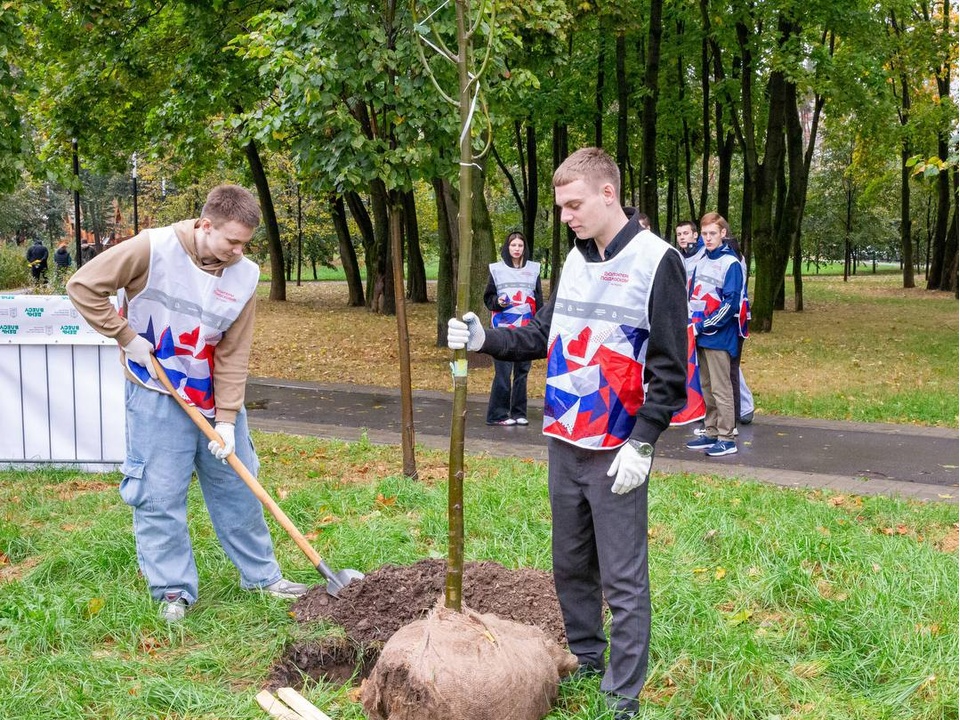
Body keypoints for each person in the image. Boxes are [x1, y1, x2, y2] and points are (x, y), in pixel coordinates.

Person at [448, 148, 688, 720]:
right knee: (570, 561)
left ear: (610, 194)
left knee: (624, 577)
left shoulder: (660, 261)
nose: (566, 216)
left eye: (574, 204)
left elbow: (672, 370)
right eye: (560, 207)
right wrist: (486, 341)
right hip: (565, 439)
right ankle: (585, 654)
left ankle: (622, 692)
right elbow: (541, 335)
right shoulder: (576, 260)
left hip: (617, 449)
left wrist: (644, 441)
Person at [66, 184, 307, 623]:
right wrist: (126, 337)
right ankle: (172, 591)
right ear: (204, 224)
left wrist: (230, 419)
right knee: (159, 493)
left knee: (240, 486)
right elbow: (82, 286)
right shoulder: (151, 248)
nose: (237, 251)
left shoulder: (245, 274)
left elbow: (234, 352)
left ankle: (263, 577)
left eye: (244, 244)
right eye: (231, 240)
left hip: (212, 397)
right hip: (156, 390)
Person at [685, 212, 744, 457]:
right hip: (699, 333)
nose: (708, 238)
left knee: (721, 388)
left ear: (723, 234)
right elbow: (694, 296)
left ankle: (727, 437)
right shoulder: (701, 261)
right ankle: (711, 431)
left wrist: (705, 325)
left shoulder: (731, 264)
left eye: (713, 234)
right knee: (706, 386)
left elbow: (731, 304)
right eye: (705, 234)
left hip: (719, 335)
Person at [482, 230, 543, 426]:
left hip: (526, 330)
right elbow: (488, 299)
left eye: (520, 245)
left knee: (522, 372)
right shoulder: (497, 270)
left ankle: (518, 412)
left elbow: (538, 301)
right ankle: (497, 415)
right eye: (513, 245)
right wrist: (498, 302)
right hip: (503, 330)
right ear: (507, 248)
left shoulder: (534, 270)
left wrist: (540, 325)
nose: (516, 249)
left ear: (525, 248)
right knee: (503, 372)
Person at [674, 220, 704, 288]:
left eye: (686, 233)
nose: (682, 237)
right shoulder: (677, 257)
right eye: (679, 234)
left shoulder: (705, 253)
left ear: (695, 235)